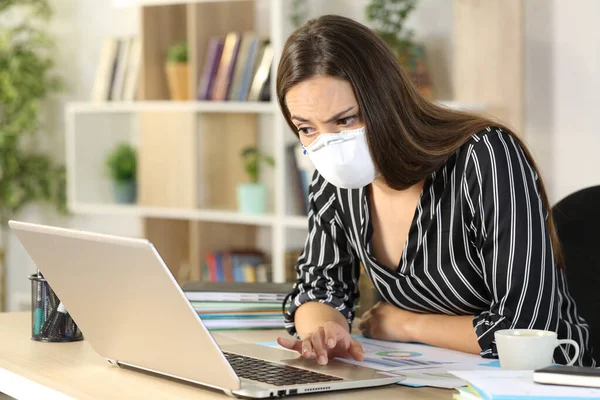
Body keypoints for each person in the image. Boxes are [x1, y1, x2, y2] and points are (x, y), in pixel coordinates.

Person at [274, 15, 595, 368]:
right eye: (307, 128)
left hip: (537, 378)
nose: (328, 144)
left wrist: (408, 324)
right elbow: (320, 288)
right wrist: (324, 331)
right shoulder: (332, 175)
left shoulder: (485, 156)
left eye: (346, 120)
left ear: (386, 100)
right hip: (428, 373)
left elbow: (528, 329)